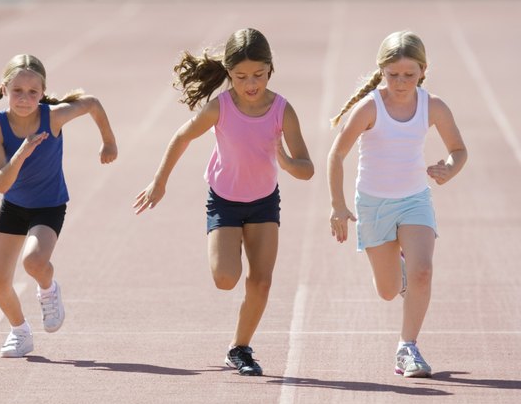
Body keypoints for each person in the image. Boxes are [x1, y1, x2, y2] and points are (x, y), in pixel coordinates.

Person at [134, 28, 314, 376]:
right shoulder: (221, 107)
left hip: (264, 202)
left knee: (261, 281)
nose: (250, 84)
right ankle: (237, 327)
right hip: (225, 201)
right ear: (229, 73)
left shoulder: (281, 110)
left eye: (258, 75)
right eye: (241, 76)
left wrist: (286, 161)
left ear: (270, 69)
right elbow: (181, 136)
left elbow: (306, 169)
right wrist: (160, 181)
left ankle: (240, 348)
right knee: (225, 278)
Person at [327, 30, 467, 378]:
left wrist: (449, 168)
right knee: (388, 290)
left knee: (423, 272)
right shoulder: (370, 108)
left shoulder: (433, 106)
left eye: (409, 74)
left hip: (415, 199)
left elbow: (459, 150)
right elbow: (337, 154)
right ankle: (400, 273)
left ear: (422, 70)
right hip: (374, 205)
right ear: (382, 72)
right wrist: (338, 206)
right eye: (393, 75)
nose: (401, 82)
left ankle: (408, 348)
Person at [0, 53, 118, 358]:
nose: (25, 99)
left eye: (32, 92)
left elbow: (92, 103)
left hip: (48, 206)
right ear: (4, 90)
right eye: (17, 91)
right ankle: (20, 332)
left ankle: (48, 289)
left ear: (42, 93)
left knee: (33, 262)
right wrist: (22, 154)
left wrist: (109, 141)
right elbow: (0, 184)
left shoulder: (52, 116)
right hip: (13, 205)